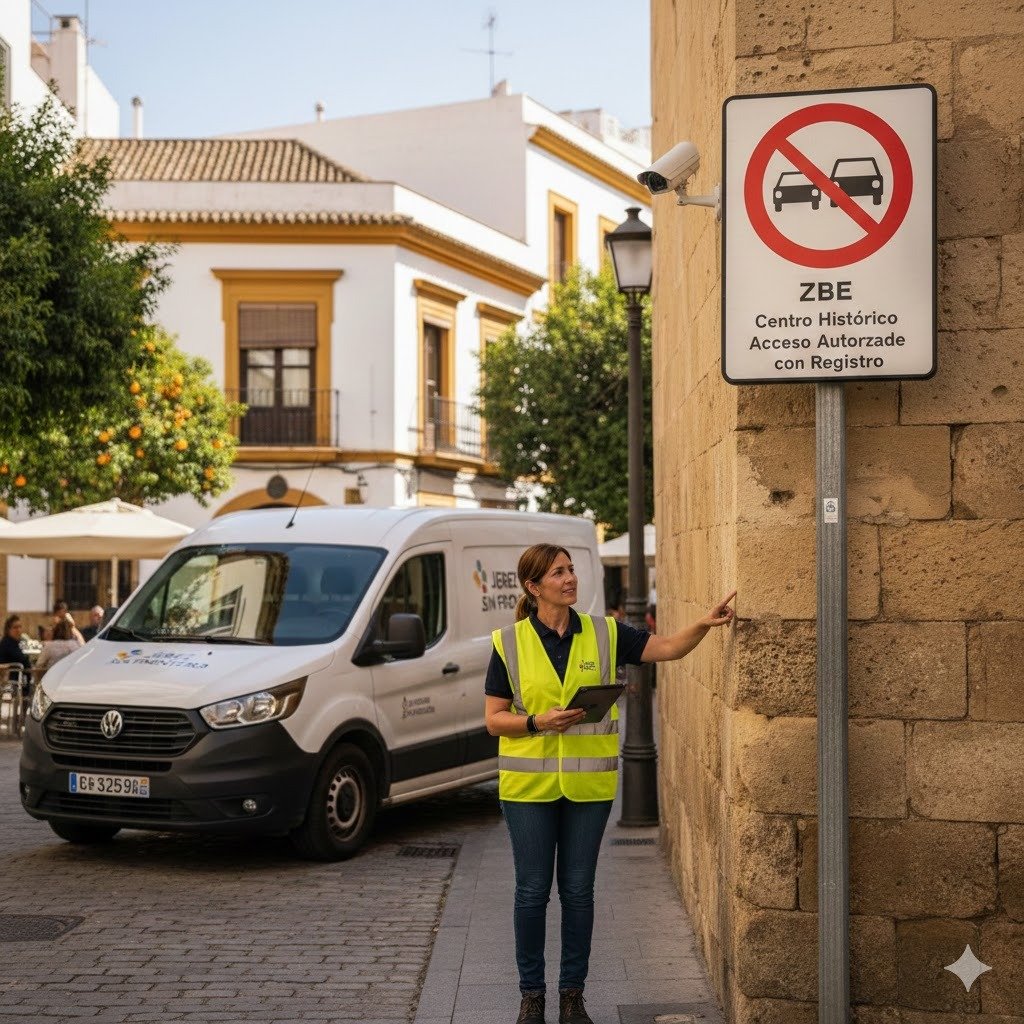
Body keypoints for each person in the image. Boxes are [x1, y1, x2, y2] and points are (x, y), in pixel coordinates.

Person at [484, 543, 735, 1024]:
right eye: (559, 573)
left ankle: (572, 997)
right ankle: (531, 999)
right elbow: (494, 721)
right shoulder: (507, 642)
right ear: (535, 587)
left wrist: (702, 625)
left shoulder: (604, 632)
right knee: (532, 892)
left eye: (571, 570)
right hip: (527, 792)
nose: (570, 578)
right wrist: (539, 722)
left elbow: (665, 648)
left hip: (589, 791)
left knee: (578, 891)